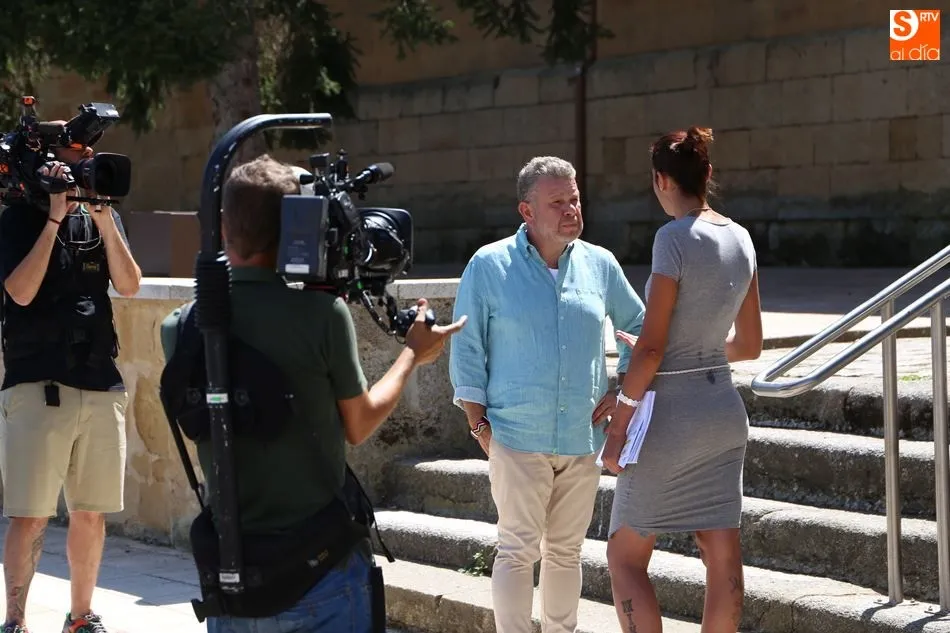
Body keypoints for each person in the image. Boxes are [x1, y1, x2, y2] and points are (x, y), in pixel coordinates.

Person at [158, 154, 467, 633]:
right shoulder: (321, 315)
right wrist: (412, 355)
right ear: (297, 227)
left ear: (222, 227)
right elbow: (359, 424)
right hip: (320, 574)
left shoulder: (179, 329)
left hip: (235, 580)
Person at [449, 155, 646, 633]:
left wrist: (622, 387)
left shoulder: (600, 264)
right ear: (527, 211)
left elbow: (640, 327)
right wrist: (478, 425)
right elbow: (467, 348)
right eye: (557, 201)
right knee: (517, 549)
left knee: (566, 552)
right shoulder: (489, 265)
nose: (571, 209)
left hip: (583, 436)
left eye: (575, 198)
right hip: (515, 434)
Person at [601, 126, 762, 633]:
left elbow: (649, 349)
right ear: (707, 174)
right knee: (721, 555)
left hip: (672, 416)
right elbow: (750, 345)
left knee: (624, 555)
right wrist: (688, 353)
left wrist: (618, 428)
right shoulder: (741, 237)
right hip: (723, 412)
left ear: (660, 180)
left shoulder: (672, 239)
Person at [0, 135, 142, 633]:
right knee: (30, 514)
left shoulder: (102, 214)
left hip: (100, 381)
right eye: (74, 156)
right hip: (37, 382)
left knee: (91, 512)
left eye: (87, 156)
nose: (84, 167)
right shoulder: (18, 216)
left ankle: (80, 618)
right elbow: (18, 292)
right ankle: (15, 621)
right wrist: (55, 218)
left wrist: (104, 221)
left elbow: (128, 285)